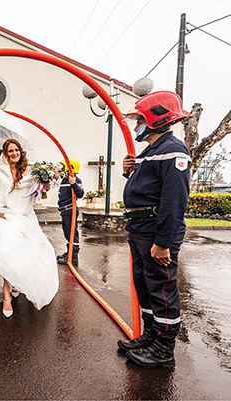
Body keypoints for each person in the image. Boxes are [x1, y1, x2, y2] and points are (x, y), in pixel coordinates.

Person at [116, 91, 191, 368]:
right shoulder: (152, 150)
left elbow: (174, 201)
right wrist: (129, 172)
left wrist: (163, 242)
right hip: (140, 227)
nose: (135, 125)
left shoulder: (174, 150)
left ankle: (163, 349)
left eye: (139, 119)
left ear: (155, 119)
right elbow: (147, 188)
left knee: (161, 287)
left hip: (155, 230)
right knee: (145, 284)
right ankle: (151, 335)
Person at [0, 138, 59, 317]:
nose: (14, 153)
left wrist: (45, 185)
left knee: (31, 253)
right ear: (5, 153)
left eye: (16, 150)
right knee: (6, 253)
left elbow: (41, 190)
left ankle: (16, 283)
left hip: (25, 217)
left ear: (20, 151)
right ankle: (7, 296)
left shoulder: (31, 170)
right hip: (4, 216)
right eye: (10, 151)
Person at [56, 158, 84, 265]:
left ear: (70, 167)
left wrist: (74, 184)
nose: (62, 168)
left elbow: (80, 194)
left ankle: (73, 256)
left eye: (64, 167)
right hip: (64, 211)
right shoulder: (64, 179)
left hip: (70, 210)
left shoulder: (76, 180)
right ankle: (69, 252)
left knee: (72, 233)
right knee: (67, 232)